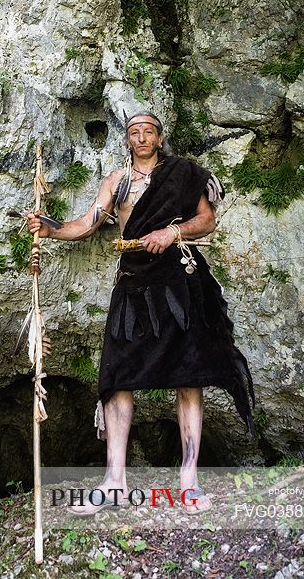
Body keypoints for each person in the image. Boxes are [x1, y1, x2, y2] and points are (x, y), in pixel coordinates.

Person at [27, 111, 255, 514]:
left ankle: (188, 481)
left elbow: (207, 220)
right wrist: (51, 228)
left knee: (189, 373)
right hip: (132, 284)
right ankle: (114, 481)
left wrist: (172, 232)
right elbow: (87, 223)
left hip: (179, 283)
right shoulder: (117, 182)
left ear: (160, 137)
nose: (142, 136)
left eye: (149, 130)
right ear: (128, 139)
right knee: (115, 377)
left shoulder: (182, 174)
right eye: (135, 131)